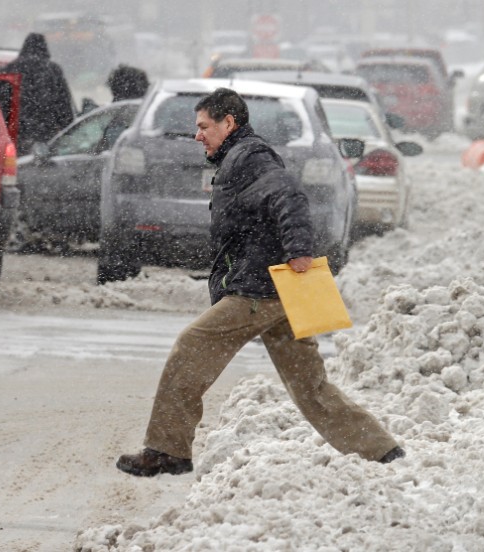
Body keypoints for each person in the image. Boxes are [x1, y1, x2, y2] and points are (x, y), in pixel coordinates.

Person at [116, 88, 404, 477]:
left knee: (191, 347)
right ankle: (382, 452)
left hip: (259, 288)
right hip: (279, 289)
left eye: (204, 127)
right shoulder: (239, 158)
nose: (197, 135)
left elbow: (288, 196)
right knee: (310, 386)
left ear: (229, 123)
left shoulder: (247, 157)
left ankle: (168, 450)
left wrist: (298, 247)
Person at [0, 32, 76, 155]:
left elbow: (0, 101)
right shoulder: (53, 70)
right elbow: (63, 102)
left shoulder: (9, 69)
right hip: (47, 133)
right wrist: (67, 127)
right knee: (44, 168)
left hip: (17, 133)